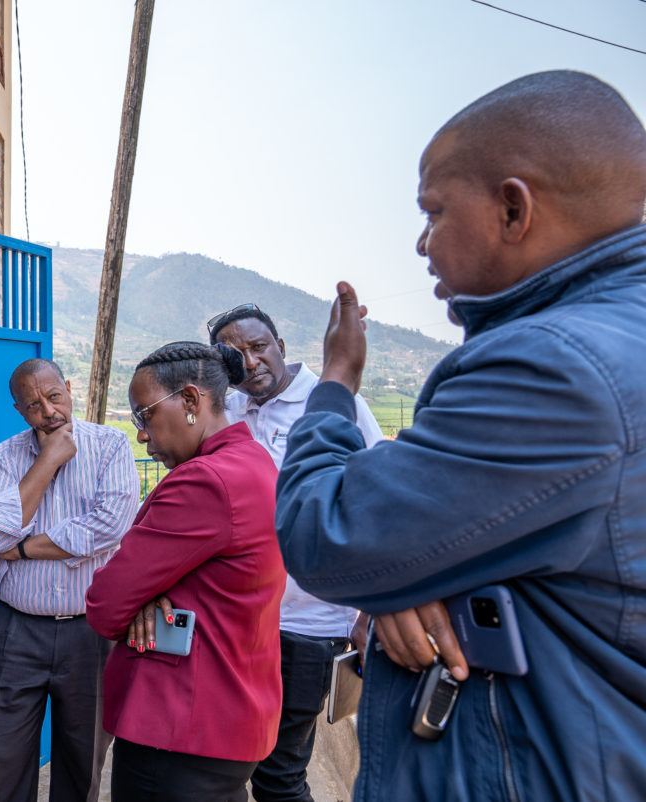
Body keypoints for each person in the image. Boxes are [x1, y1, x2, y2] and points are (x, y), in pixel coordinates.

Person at [273, 70, 646, 800]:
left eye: (434, 212)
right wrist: (402, 568)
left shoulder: (554, 368)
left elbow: (328, 531)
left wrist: (336, 384)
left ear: (514, 208)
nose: (420, 243)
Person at [86, 342, 286, 801]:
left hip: (179, 727)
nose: (141, 434)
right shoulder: (254, 462)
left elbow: (103, 605)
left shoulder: (204, 481)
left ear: (191, 400)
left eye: (145, 415)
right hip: (233, 717)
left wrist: (139, 601)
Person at [208, 304, 383, 802]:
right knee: (232, 760)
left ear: (280, 347)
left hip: (310, 627)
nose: (252, 360)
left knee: (279, 775)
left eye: (259, 346)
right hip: (241, 623)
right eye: (236, 355)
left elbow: (377, 510)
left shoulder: (334, 406)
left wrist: (370, 611)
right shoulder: (232, 413)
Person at [0, 358, 138, 802]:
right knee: (1, 765)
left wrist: (23, 548)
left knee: (82, 763)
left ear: (68, 388)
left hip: (91, 632)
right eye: (33, 405)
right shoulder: (6, 456)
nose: (48, 411)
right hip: (15, 629)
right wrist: (47, 461)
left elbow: (109, 527)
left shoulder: (110, 447)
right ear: (19, 411)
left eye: (54, 396)